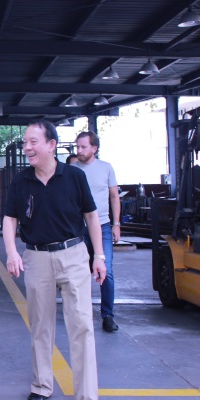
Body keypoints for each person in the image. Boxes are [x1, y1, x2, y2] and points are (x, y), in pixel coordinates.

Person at [2, 119, 107, 400]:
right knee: (41, 325)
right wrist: (11, 252)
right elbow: (9, 219)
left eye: (33, 142)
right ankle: (41, 385)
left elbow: (91, 216)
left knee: (82, 325)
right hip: (37, 257)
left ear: (51, 145)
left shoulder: (74, 176)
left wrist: (99, 256)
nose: (27, 147)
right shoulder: (21, 181)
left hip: (74, 255)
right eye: (25, 142)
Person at [73, 131, 121, 332]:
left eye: (83, 147)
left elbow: (114, 196)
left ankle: (107, 316)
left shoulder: (106, 168)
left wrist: (116, 224)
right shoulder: (72, 170)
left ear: (94, 148)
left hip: (102, 227)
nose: (79, 150)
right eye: (77, 147)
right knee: (79, 273)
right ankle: (80, 314)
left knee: (106, 271)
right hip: (78, 229)